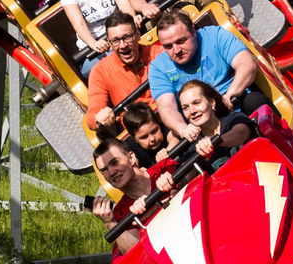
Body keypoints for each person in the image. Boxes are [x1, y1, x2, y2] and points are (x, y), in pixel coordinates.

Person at [146, 9, 257, 139]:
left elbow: (247, 63)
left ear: (193, 31)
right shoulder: (158, 68)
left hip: (236, 104)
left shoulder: (215, 35)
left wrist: (229, 96)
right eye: (168, 46)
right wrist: (183, 129)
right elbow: (166, 107)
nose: (176, 50)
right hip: (202, 127)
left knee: (255, 100)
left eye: (181, 41)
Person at [84, 13, 152, 129]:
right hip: (137, 134)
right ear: (110, 44)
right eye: (115, 41)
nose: (123, 45)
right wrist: (99, 117)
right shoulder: (100, 71)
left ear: (138, 34)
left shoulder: (157, 53)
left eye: (127, 37)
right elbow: (92, 118)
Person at [174, 78, 260, 169]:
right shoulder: (195, 147)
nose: (192, 111)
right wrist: (167, 180)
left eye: (197, 103)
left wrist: (215, 141)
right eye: (185, 108)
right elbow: (187, 175)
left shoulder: (234, 118)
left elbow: (240, 134)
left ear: (212, 103)